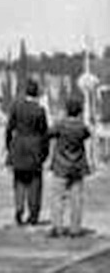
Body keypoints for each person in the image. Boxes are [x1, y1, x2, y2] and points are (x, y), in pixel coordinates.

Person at [5, 78, 50, 225]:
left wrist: (9, 147)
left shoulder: (16, 107)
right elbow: (44, 134)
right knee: (34, 183)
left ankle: (19, 207)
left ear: (25, 92)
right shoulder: (40, 111)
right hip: (35, 148)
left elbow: (9, 129)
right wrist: (45, 152)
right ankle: (33, 213)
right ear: (37, 93)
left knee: (19, 180)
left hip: (18, 146)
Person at [48, 97, 93, 238]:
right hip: (78, 166)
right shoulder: (81, 127)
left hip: (61, 166)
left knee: (58, 198)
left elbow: (49, 133)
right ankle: (75, 228)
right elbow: (87, 134)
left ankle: (57, 227)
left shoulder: (60, 125)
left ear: (67, 110)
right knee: (76, 199)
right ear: (79, 111)